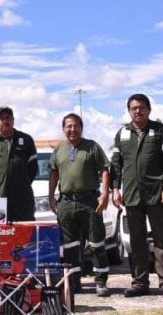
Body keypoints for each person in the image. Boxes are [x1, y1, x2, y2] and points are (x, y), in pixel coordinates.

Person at [110, 93, 163, 300]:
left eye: (141, 107)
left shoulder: (160, 131)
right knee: (136, 241)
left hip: (157, 194)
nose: (138, 111)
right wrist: (116, 189)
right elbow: (116, 164)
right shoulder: (122, 133)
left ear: (149, 110)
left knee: (161, 239)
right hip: (132, 195)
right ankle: (139, 282)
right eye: (134, 108)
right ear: (129, 111)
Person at [48, 113, 111, 297]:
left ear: (81, 128)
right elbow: (54, 173)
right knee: (70, 246)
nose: (72, 129)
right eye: (69, 126)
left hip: (89, 202)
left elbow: (105, 170)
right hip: (66, 203)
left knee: (96, 243)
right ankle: (74, 283)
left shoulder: (92, 146)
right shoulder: (59, 149)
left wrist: (105, 194)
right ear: (63, 129)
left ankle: (101, 281)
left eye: (76, 126)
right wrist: (51, 196)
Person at [0, 106, 38, 221]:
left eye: (8, 118)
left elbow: (33, 169)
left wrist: (21, 184)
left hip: (22, 199)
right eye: (1, 118)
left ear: (13, 120)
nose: (5, 121)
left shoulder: (26, 139)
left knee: (25, 230)